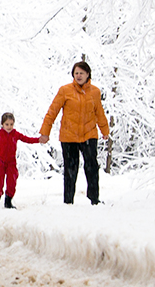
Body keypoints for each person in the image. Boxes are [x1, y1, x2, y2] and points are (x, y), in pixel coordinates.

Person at [39, 61, 110, 205]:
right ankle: (68, 201)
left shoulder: (95, 92)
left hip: (89, 134)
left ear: (88, 74)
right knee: (70, 169)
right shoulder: (65, 90)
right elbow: (52, 112)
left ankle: (94, 199)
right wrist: (45, 132)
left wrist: (105, 130)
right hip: (69, 136)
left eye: (81, 73)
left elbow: (99, 113)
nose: (78, 76)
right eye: (76, 73)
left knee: (92, 167)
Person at [0, 113, 43, 209]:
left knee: (12, 182)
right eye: (7, 124)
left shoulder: (16, 134)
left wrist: (39, 140)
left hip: (11, 162)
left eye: (11, 124)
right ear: (2, 124)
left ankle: (8, 202)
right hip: (0, 162)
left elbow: (27, 139)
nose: (9, 127)